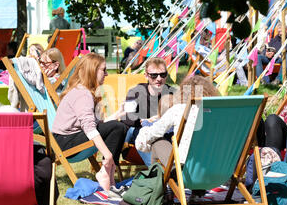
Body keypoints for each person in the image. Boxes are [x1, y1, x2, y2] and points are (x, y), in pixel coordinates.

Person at [51, 53, 127, 193]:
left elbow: (95, 124)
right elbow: (90, 128)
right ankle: (106, 170)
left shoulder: (84, 91)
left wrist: (116, 115)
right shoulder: (83, 94)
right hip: (64, 143)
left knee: (119, 126)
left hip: (67, 139)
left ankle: (108, 172)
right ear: (92, 71)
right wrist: (108, 155)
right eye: (103, 70)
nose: (107, 74)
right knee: (117, 127)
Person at [135, 75, 220, 168]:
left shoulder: (178, 110)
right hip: (218, 168)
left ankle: (162, 178)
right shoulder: (221, 114)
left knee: (157, 141)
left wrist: (144, 129)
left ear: (183, 93)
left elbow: (150, 135)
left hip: (186, 170)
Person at [120, 57, 175, 166]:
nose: (158, 79)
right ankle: (158, 170)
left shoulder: (173, 93)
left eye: (162, 75)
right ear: (146, 75)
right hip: (137, 135)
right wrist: (143, 120)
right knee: (143, 132)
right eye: (154, 75)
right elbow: (126, 117)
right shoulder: (136, 92)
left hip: (164, 136)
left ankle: (169, 170)